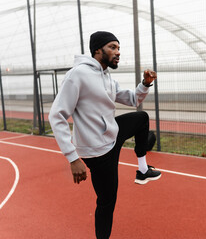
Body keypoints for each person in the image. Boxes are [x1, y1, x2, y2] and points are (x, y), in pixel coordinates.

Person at [49, 31, 161, 239]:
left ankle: (143, 170)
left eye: (118, 48)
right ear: (97, 50)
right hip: (98, 152)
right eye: (112, 47)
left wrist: (144, 84)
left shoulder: (107, 77)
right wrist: (73, 158)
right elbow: (57, 116)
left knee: (141, 118)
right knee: (106, 202)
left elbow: (132, 99)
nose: (118, 52)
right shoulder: (78, 75)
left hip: (111, 134)